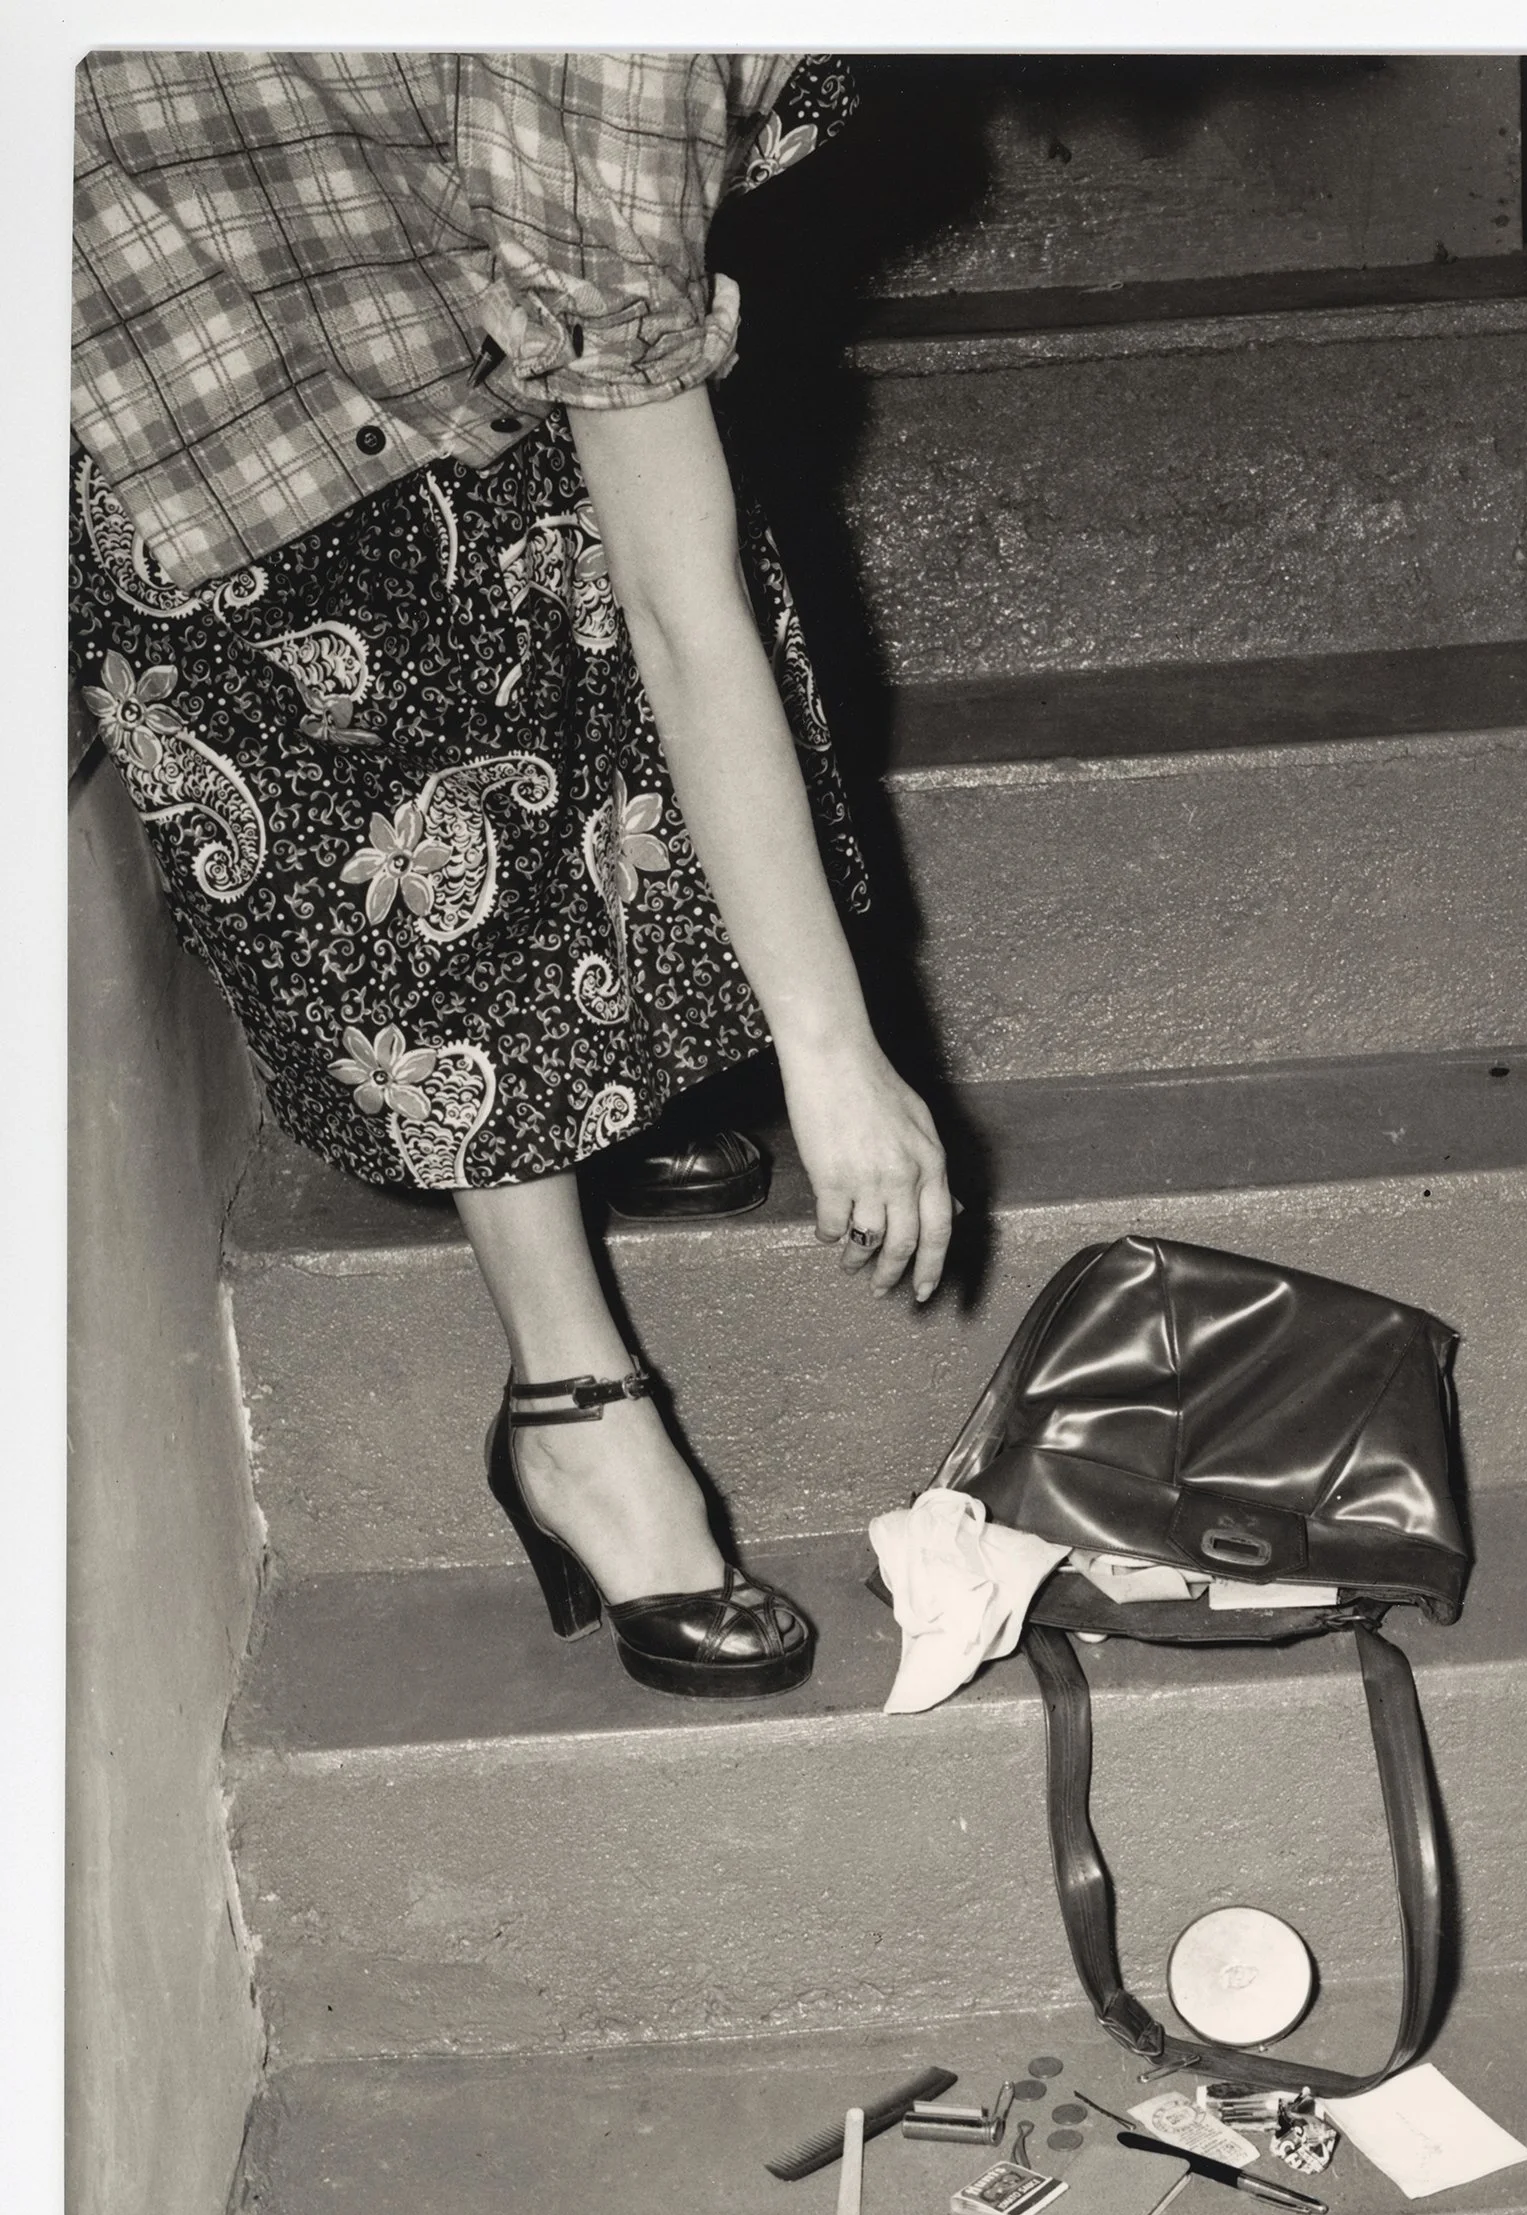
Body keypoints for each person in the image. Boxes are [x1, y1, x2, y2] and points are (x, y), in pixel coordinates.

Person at [70, 49, 952, 1697]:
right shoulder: (618, 54)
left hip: (382, 234)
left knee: (568, 590)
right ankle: (567, 1407)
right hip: (178, 319)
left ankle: (582, 1088)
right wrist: (832, 1054)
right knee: (397, 765)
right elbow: (695, 631)